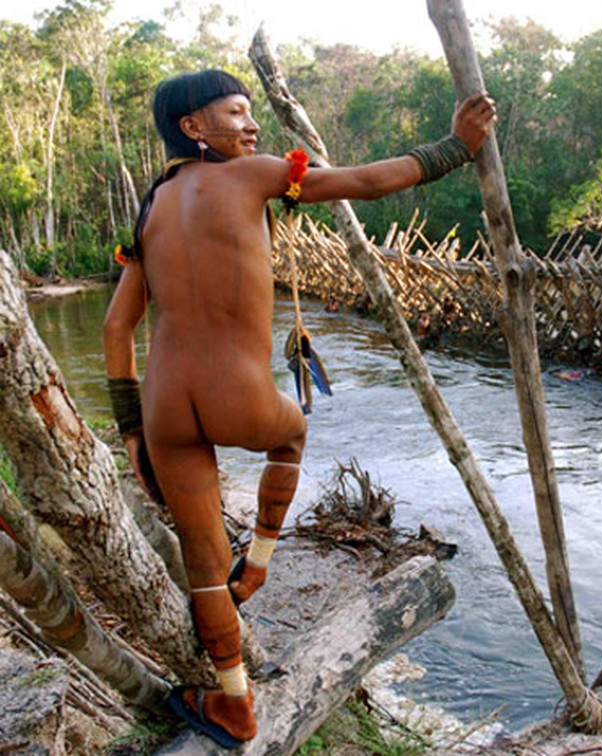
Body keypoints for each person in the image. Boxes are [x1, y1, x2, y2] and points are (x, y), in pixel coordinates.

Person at [103, 69, 496, 748]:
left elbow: (115, 330)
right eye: (235, 112)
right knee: (289, 437)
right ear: (194, 129)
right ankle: (256, 563)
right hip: (240, 397)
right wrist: (453, 148)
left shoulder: (149, 209)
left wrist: (133, 433)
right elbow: (368, 182)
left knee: (202, 566)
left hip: (166, 407)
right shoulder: (253, 174)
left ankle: (234, 707)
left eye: (252, 111)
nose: (252, 125)